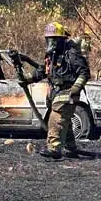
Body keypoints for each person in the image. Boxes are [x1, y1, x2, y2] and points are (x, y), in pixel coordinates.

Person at [19, 21, 90, 160]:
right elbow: (42, 72)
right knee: (65, 122)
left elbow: (85, 73)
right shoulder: (51, 56)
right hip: (54, 94)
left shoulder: (72, 53)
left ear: (61, 40)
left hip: (67, 93)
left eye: (54, 39)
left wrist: (76, 88)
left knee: (56, 119)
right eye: (48, 39)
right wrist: (27, 78)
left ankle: (54, 148)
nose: (51, 42)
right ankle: (70, 148)